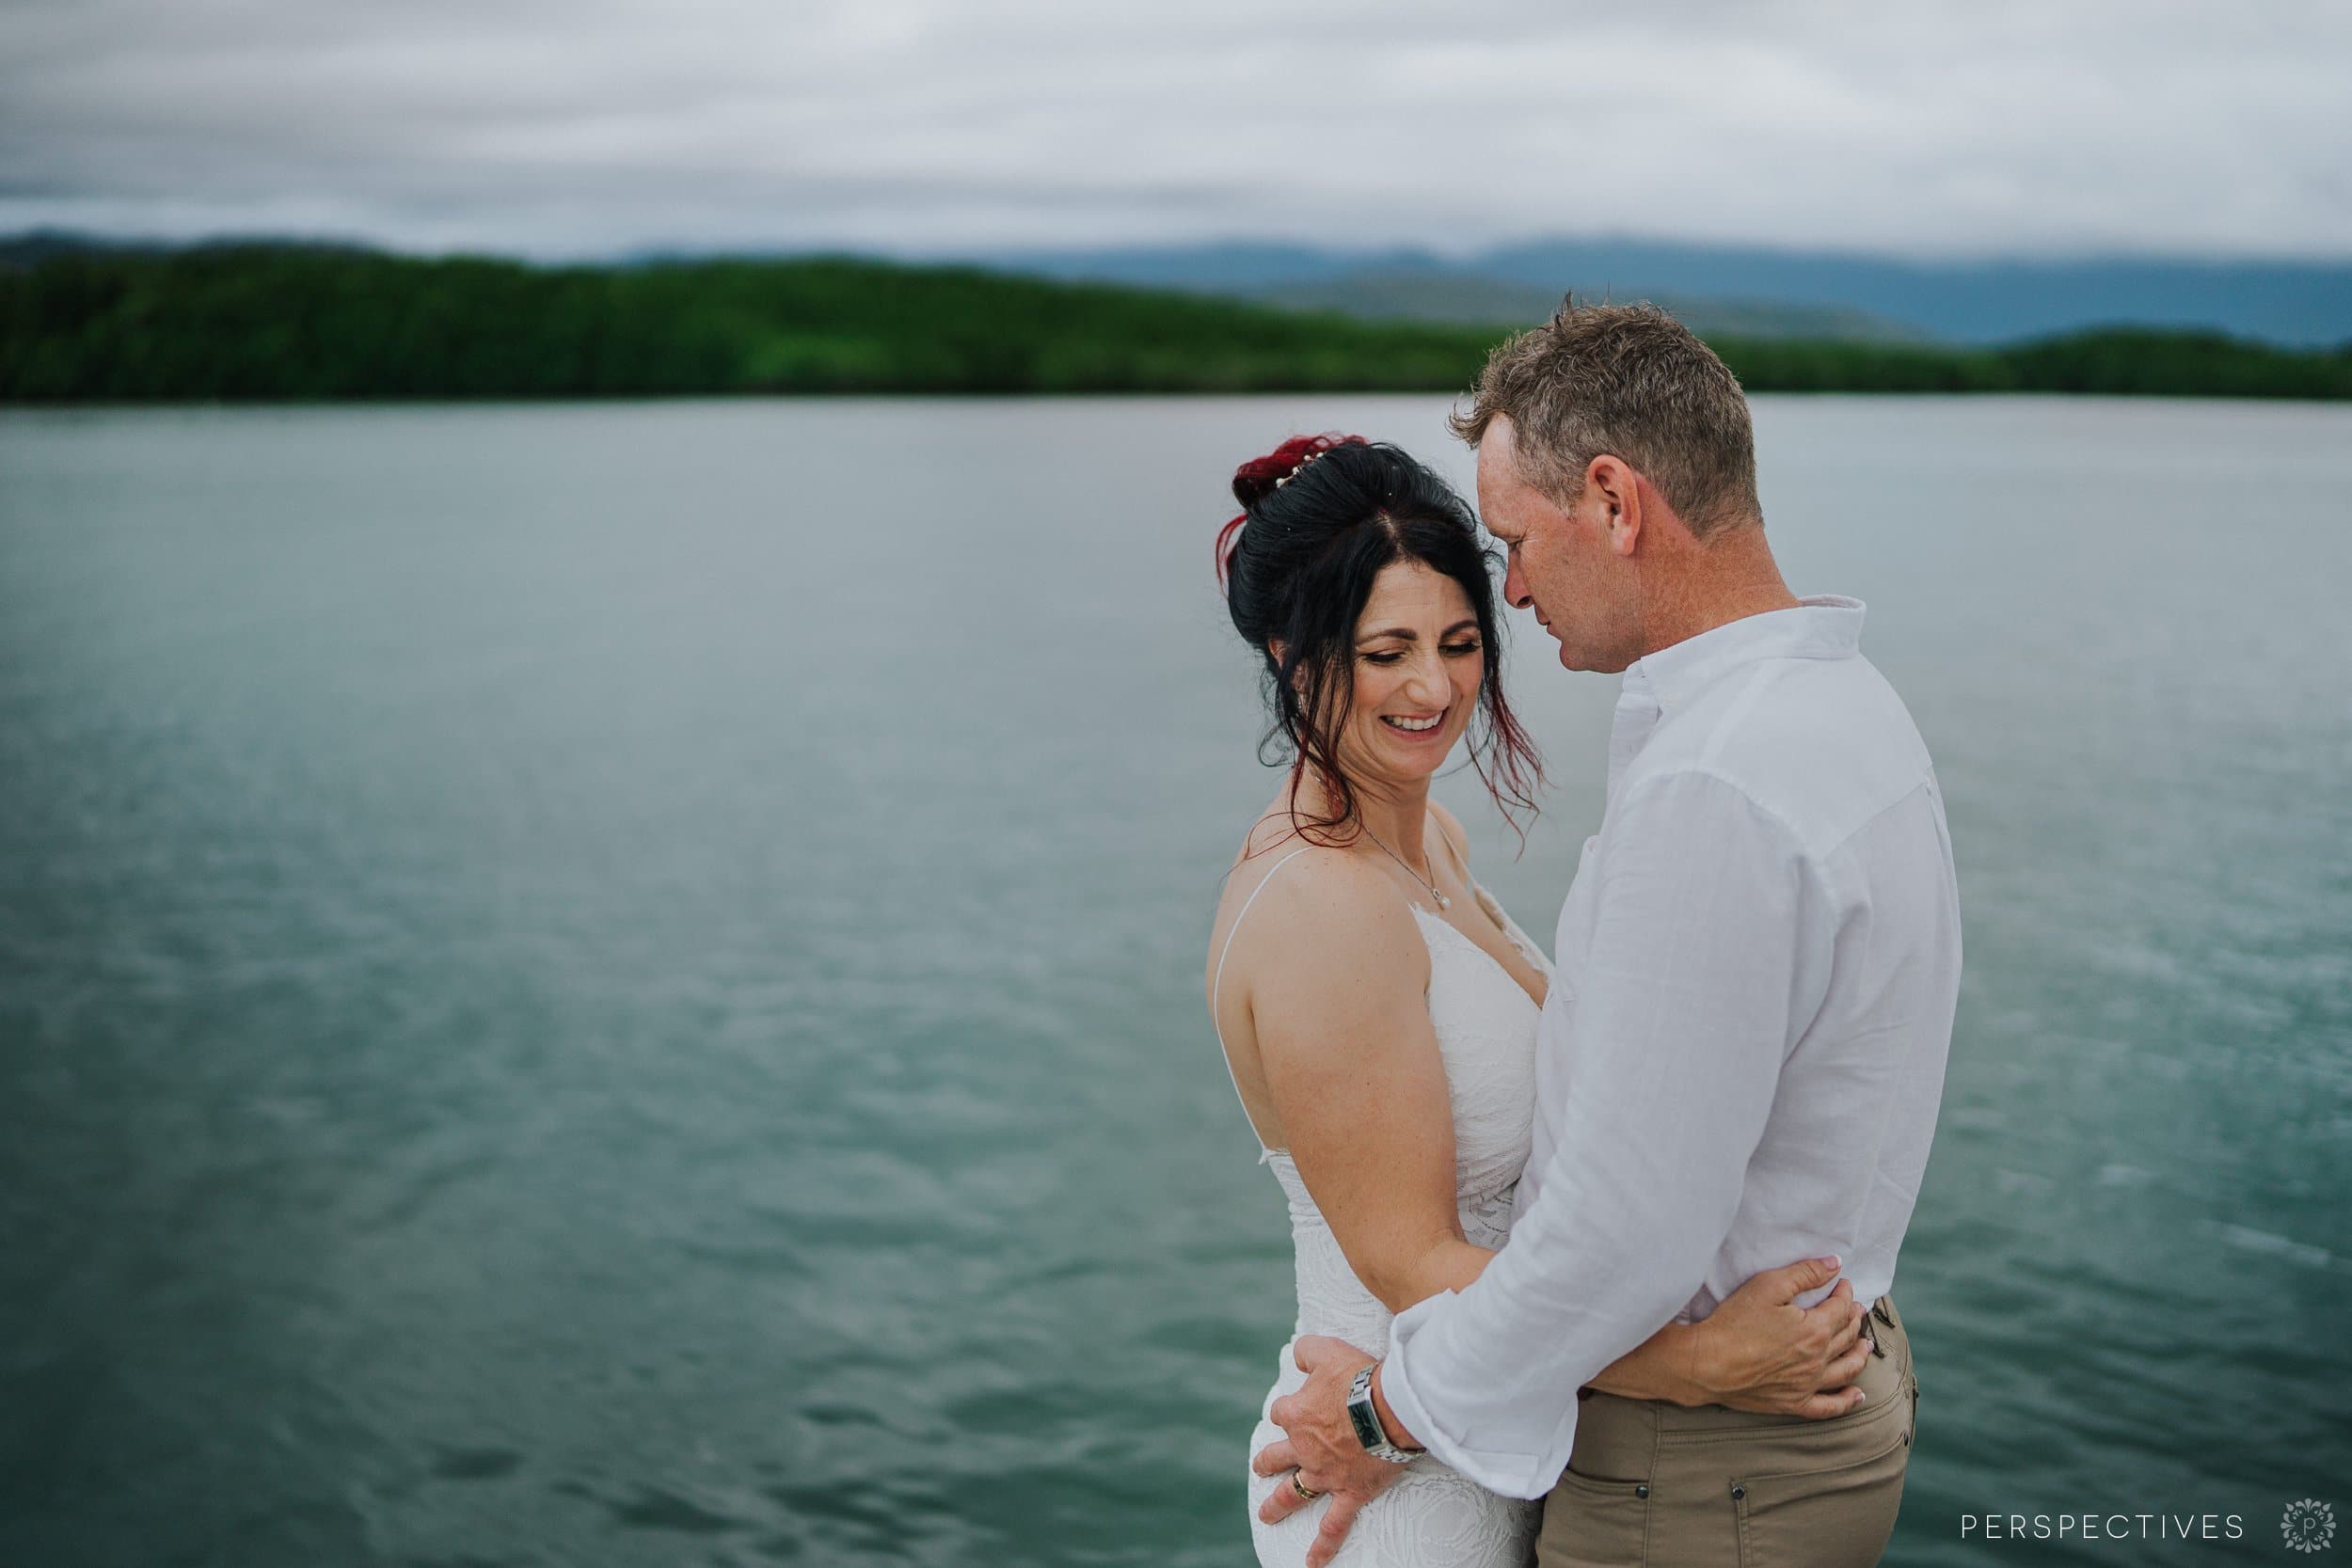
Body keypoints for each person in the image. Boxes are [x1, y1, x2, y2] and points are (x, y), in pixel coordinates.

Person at [1249, 306, 1963, 1568]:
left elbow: (1622, 1227)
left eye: (1514, 550)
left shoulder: (1716, 786)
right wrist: (1681, 1361)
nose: (1511, 588)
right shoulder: (1846, 708)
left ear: (1617, 505)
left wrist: (1383, 1412)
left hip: (1703, 1475)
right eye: (1391, 648)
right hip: (1709, 1418)